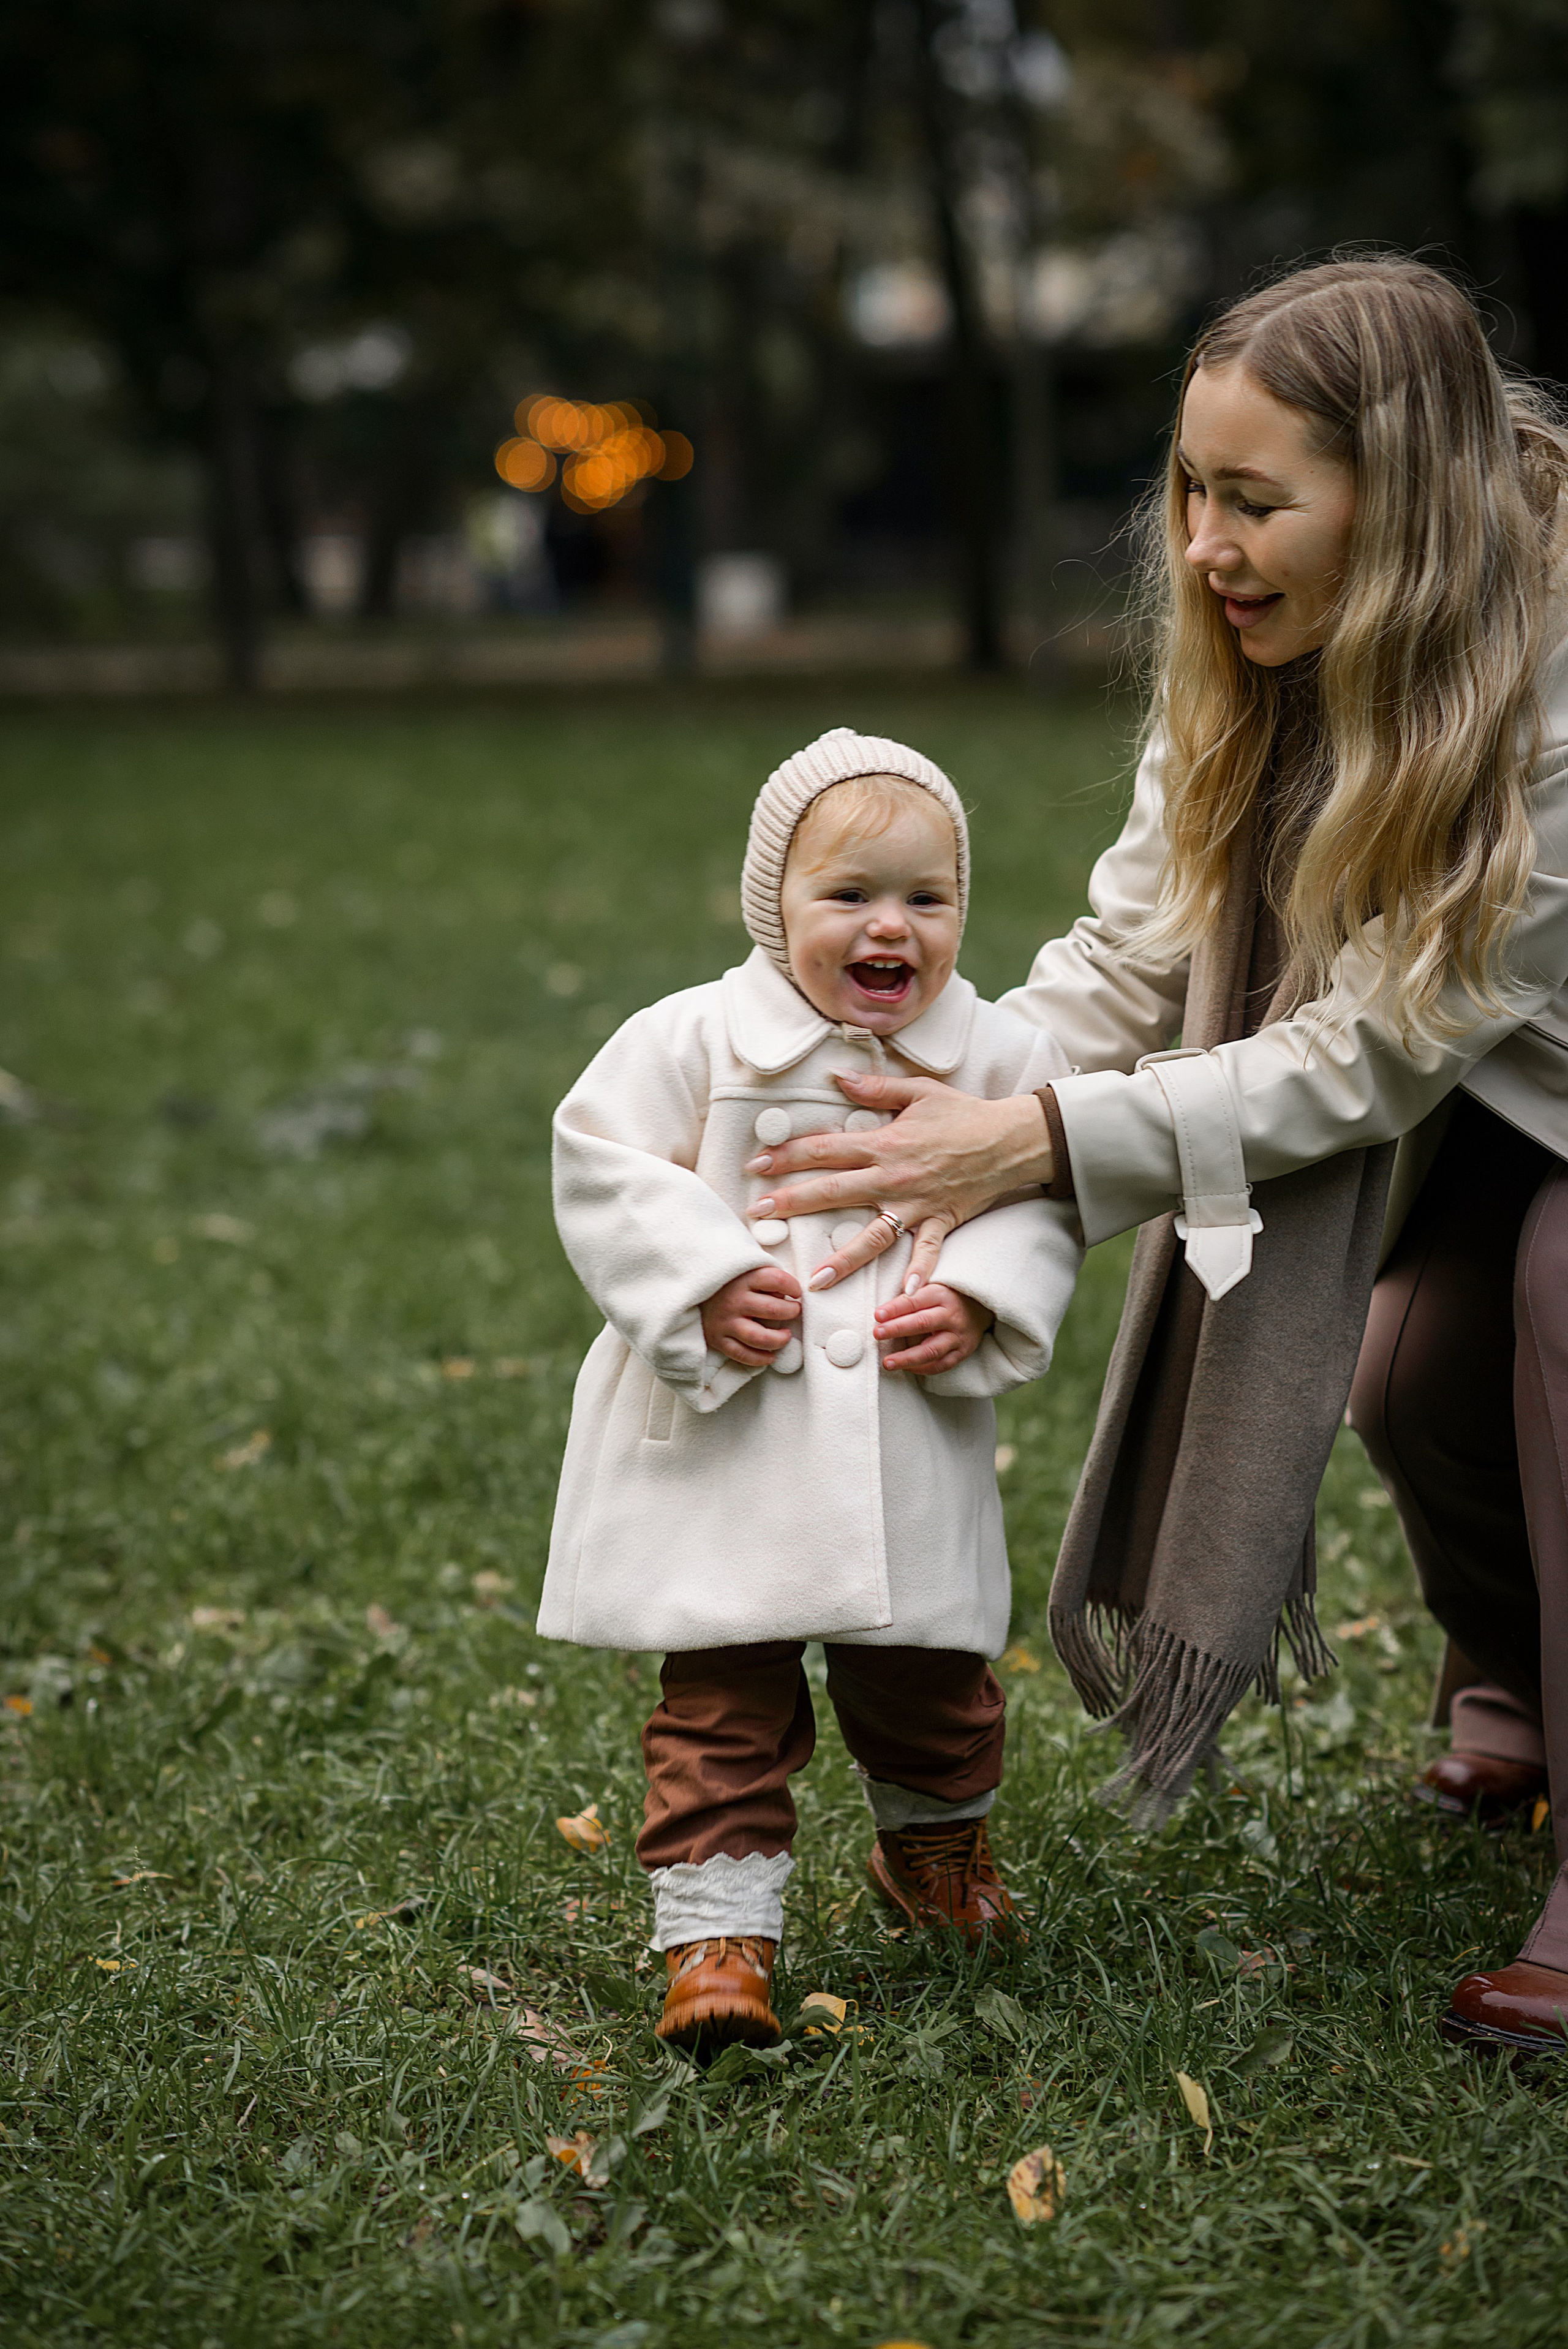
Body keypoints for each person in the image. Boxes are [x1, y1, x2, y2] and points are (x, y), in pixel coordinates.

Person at [743, 258, 1568, 2057]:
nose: (1205, 542)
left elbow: (1374, 1045)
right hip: (1490, 1095)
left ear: (1407, 504)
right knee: (1409, 1368)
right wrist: (920, 1085)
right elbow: (1131, 958)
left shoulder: (1553, 686)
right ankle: (1513, 1682)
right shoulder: (1251, 654)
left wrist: (1031, 1144)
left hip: (1504, 1065)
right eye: (1193, 489)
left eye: (1257, 501)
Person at [540, 728, 1083, 2052]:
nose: (887, 925)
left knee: (931, 1683)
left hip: (901, 1424)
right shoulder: (695, 1037)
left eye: (925, 897)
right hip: (735, 1432)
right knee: (721, 1690)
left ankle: (933, 1851)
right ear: (772, 906)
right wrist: (702, 1276)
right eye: (847, 895)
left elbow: (1045, 1193)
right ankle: (715, 1932)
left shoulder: (998, 1057)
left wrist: (981, 1293)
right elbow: (601, 1165)